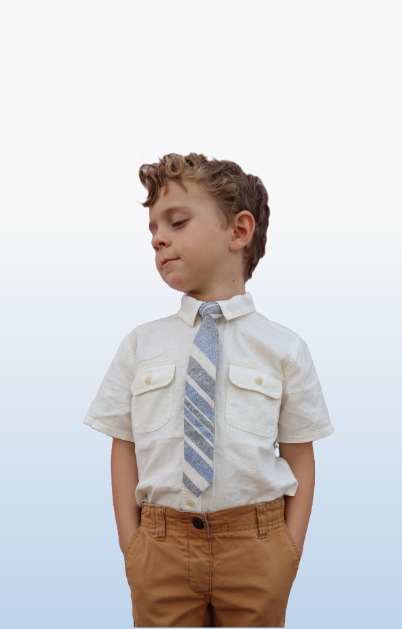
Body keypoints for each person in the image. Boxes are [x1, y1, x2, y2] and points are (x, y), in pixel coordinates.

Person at [83, 154, 333, 627]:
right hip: (161, 546)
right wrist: (132, 544)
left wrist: (288, 551)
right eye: (153, 229)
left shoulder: (284, 348)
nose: (158, 238)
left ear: (239, 231)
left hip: (257, 547)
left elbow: (300, 454)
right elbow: (124, 445)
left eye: (177, 222)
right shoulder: (140, 345)